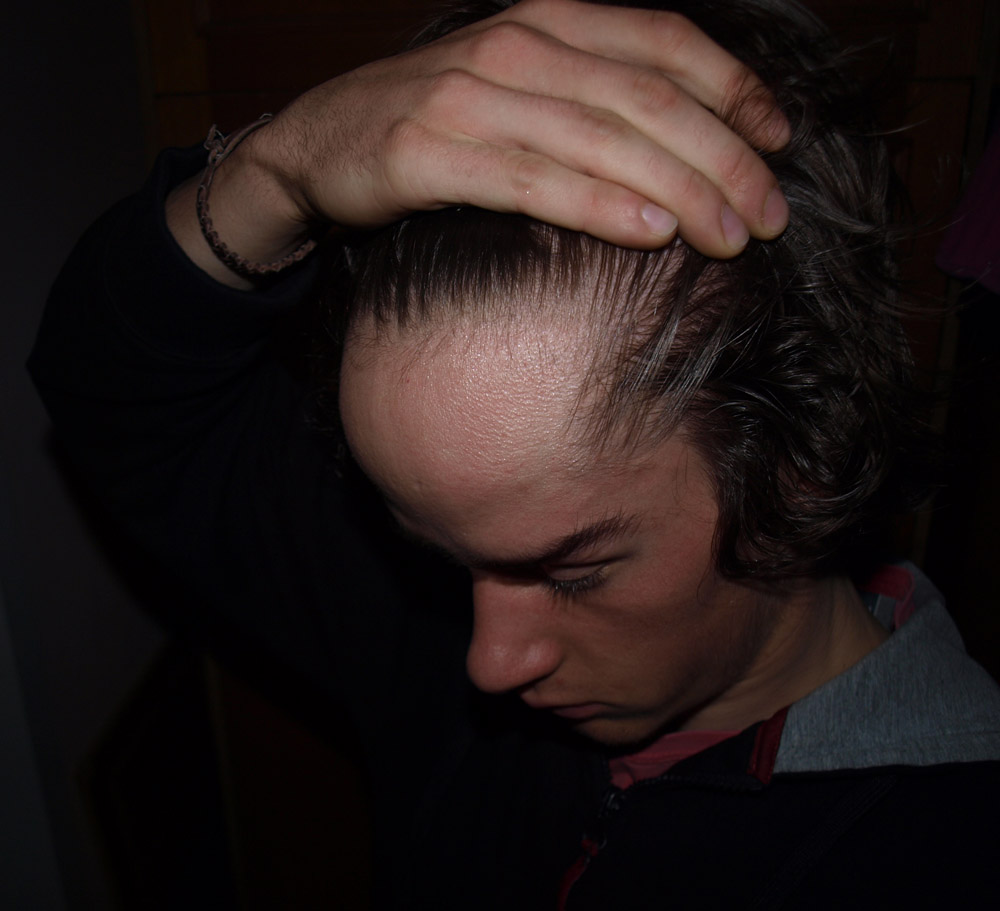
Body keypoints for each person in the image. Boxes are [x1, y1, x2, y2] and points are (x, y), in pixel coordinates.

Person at [29, 0, 1000, 907]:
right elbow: (110, 387)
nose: (489, 661)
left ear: (804, 461)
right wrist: (276, 173)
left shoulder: (950, 849)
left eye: (575, 572)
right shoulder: (421, 614)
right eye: (434, 549)